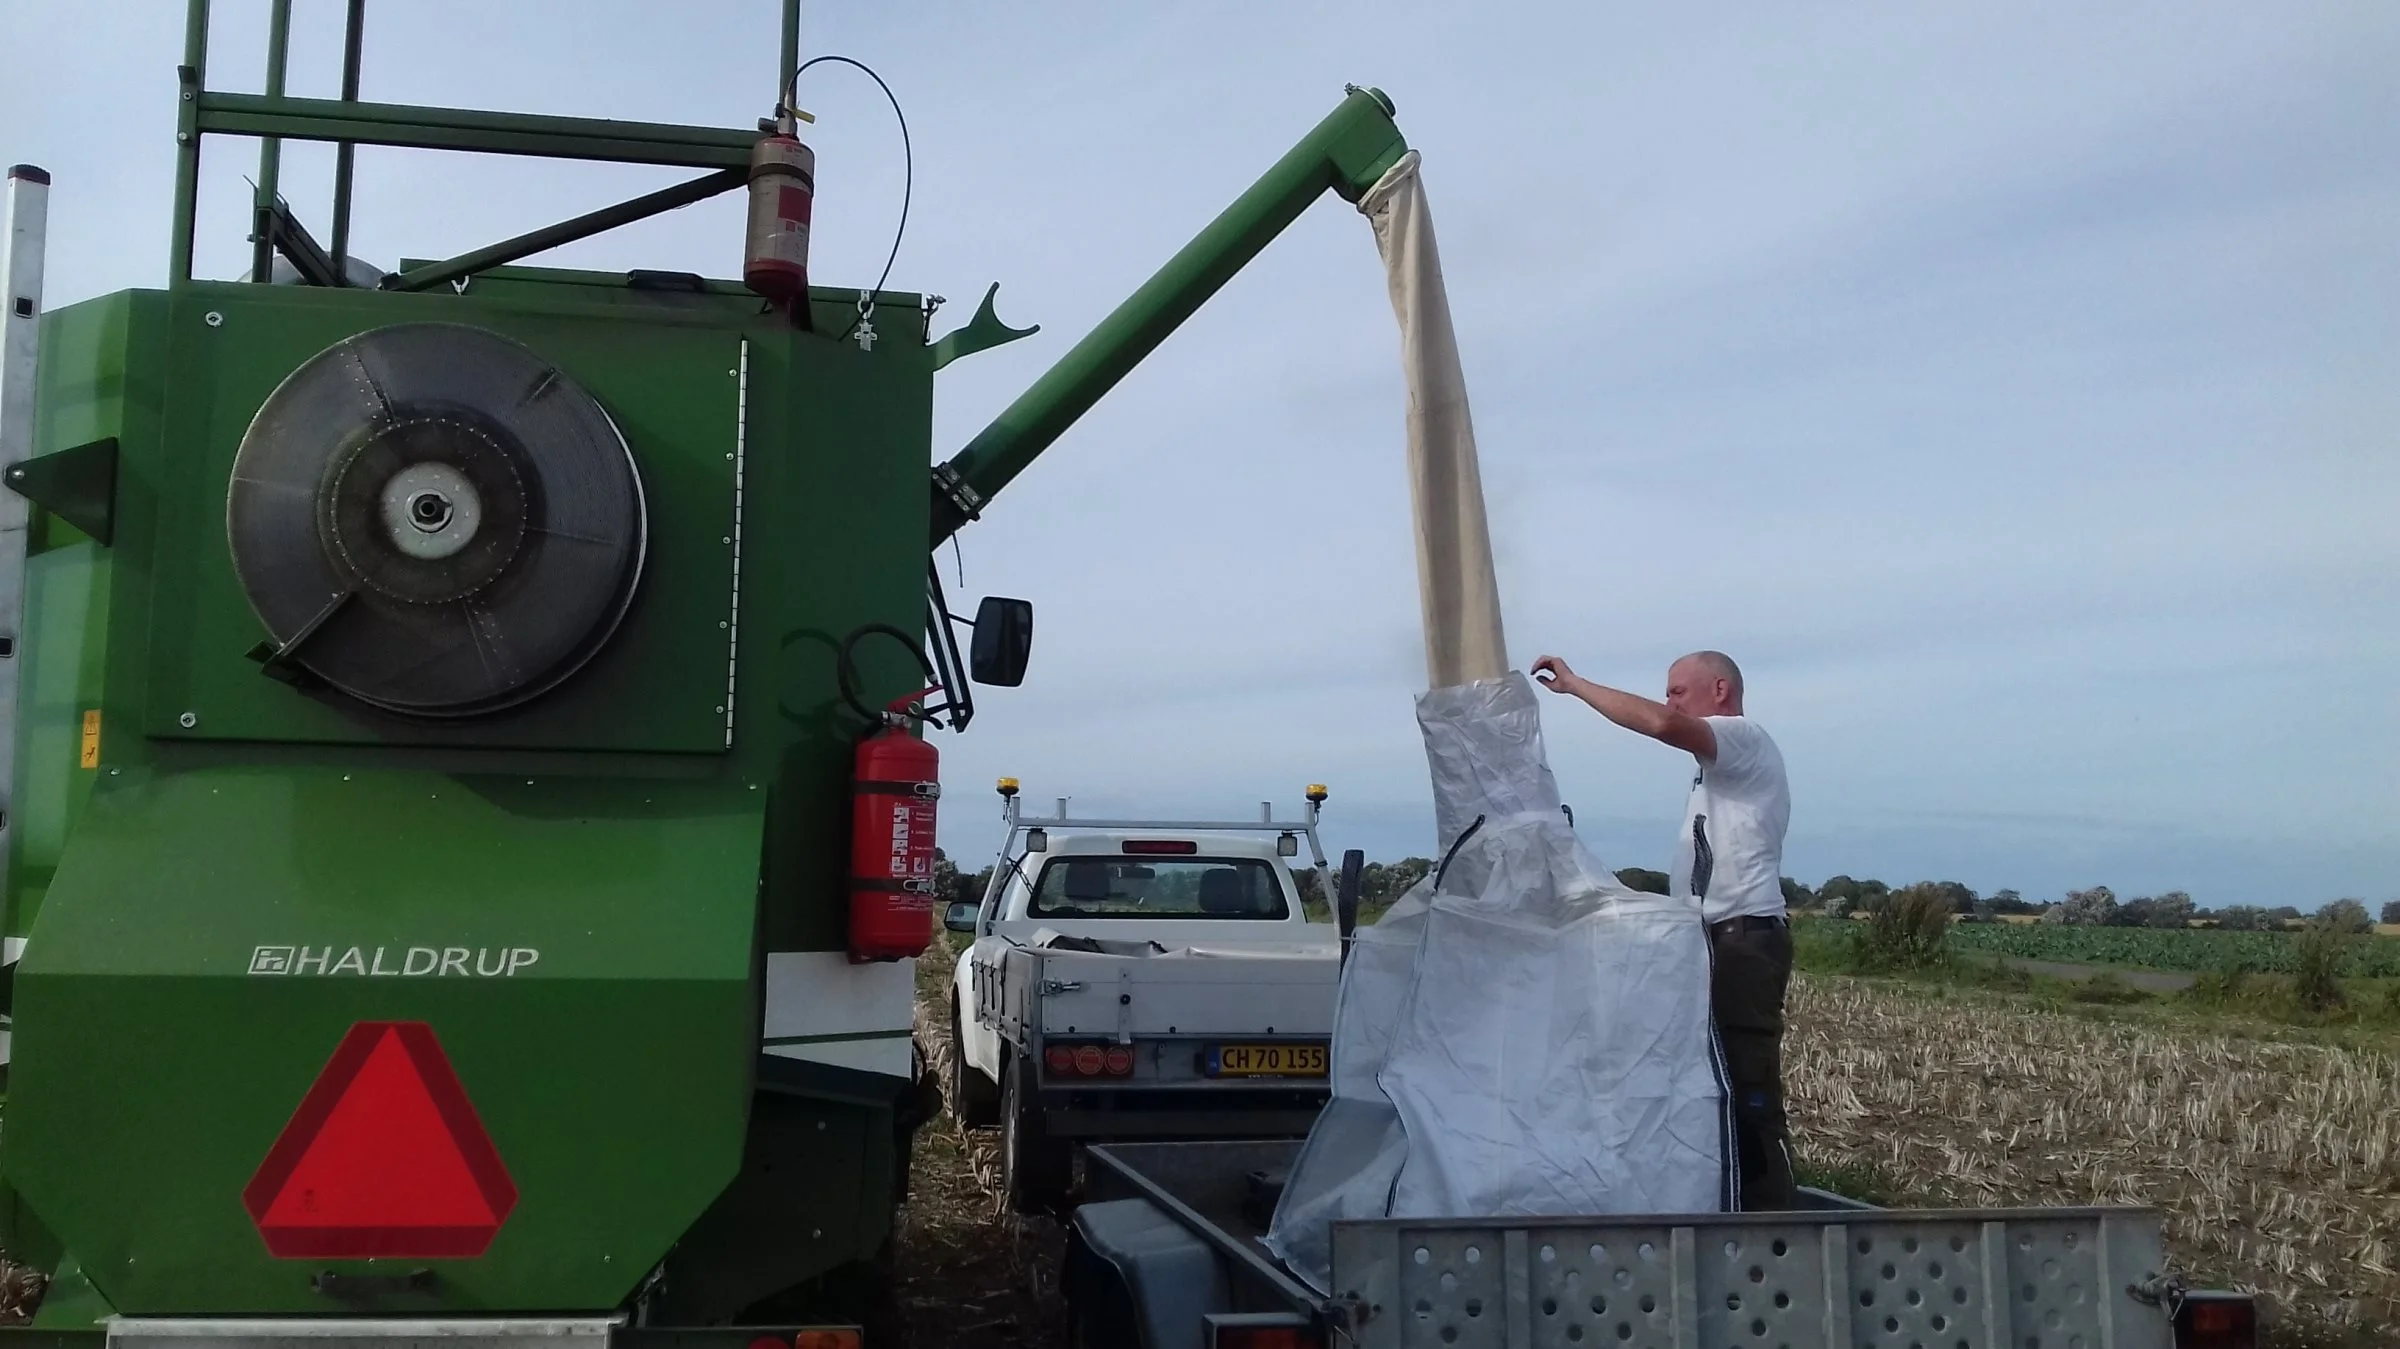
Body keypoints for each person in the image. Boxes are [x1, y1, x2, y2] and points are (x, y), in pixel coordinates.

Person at [1530, 649, 1796, 1211]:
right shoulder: (1716, 775)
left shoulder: (1742, 737)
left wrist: (1577, 685)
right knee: (1712, 1087)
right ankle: (1728, 1209)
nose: (1670, 699)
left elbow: (1660, 724)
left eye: (1679, 689)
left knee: (1748, 1091)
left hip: (1743, 943)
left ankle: (1773, 1228)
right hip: (1714, 941)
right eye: (1669, 691)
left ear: (1719, 690)